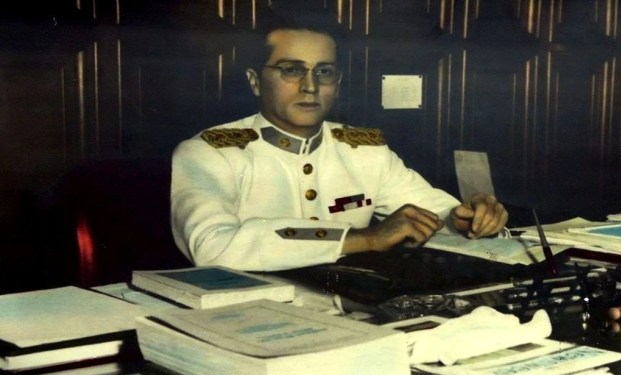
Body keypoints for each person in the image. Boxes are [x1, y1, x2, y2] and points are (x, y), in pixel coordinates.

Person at [170, 24, 508, 272]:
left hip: (347, 305)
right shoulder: (210, 152)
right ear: (255, 81)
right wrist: (365, 238)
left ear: (338, 83)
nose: (310, 86)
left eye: (324, 72)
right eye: (291, 70)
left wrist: (468, 220)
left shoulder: (364, 150)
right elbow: (212, 245)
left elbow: (433, 213)